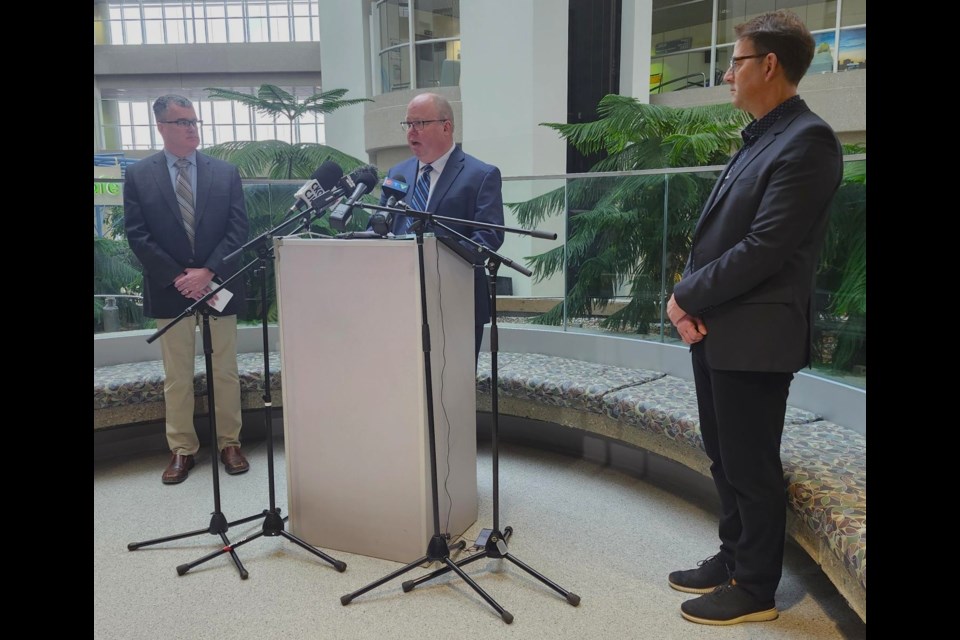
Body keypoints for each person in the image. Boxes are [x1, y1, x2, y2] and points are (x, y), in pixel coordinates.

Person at [664, 10, 843, 626]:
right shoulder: (764, 135)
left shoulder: (808, 140)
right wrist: (693, 301)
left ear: (769, 65)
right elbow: (724, 236)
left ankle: (757, 587)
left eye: (735, 61)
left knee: (751, 461)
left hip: (756, 335)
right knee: (723, 454)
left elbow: (765, 247)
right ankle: (734, 554)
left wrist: (687, 294)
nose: (727, 73)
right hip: (721, 329)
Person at [124, 95, 251, 485]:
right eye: (182, 122)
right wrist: (181, 276)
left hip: (218, 284)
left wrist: (208, 270)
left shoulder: (225, 172)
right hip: (171, 288)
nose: (192, 128)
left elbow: (238, 229)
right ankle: (182, 449)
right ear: (161, 127)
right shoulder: (139, 175)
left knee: (224, 370)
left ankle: (230, 443)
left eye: (194, 120)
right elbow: (137, 234)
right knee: (177, 375)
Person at [382, 92, 505, 361]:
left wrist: (438, 260)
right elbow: (383, 227)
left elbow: (489, 235)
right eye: (408, 124)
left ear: (446, 126)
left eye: (419, 124)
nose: (411, 132)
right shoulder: (397, 174)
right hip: (400, 296)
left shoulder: (480, 175)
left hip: (456, 299)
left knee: (452, 387)